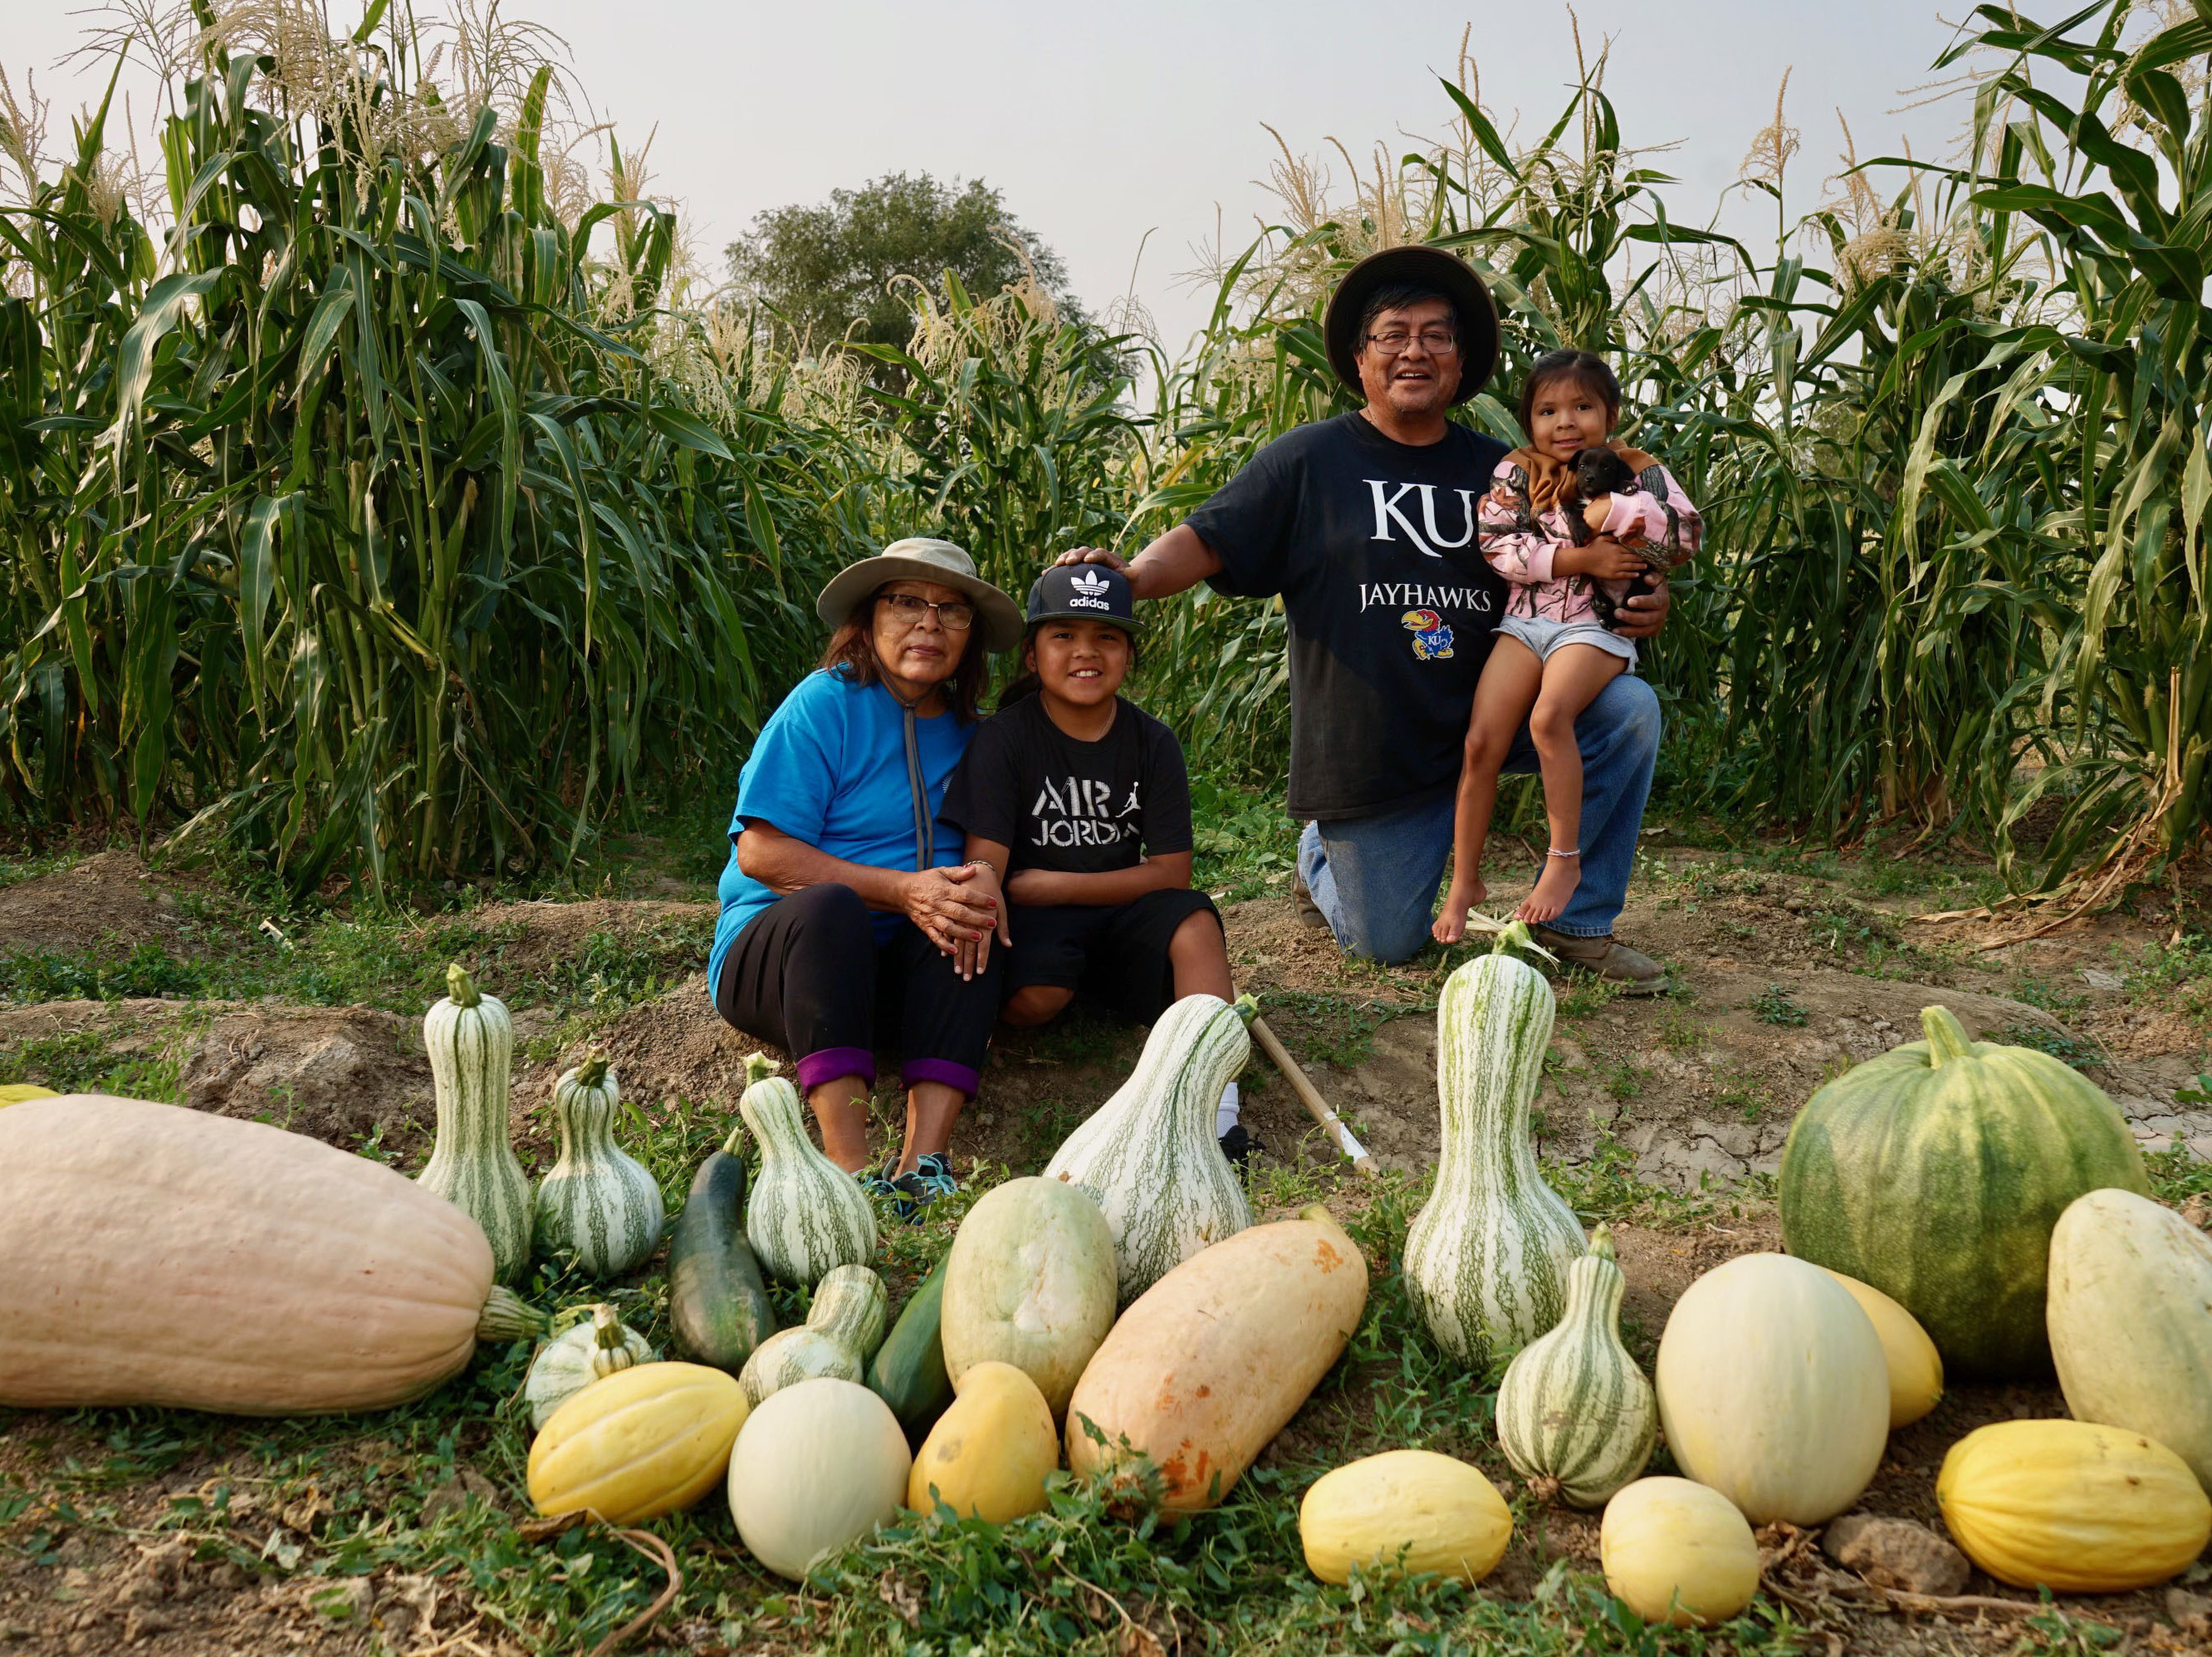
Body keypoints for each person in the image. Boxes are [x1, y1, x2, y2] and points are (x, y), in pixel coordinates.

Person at [1057, 245, 1672, 988]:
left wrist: (1644, 592)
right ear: (1360, 358)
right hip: (1377, 752)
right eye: (1393, 334)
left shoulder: (1507, 468)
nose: (1415, 350)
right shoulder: (1310, 460)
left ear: (1460, 360)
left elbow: (1600, 542)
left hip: (1494, 711)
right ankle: (1320, 852)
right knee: (1386, 942)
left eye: (1436, 335)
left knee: (1629, 709)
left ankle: (1579, 924)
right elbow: (1210, 538)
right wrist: (1133, 574)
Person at [707, 537, 1023, 1212]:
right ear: (869, 617)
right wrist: (903, 889)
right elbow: (759, 854)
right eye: (906, 602)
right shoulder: (824, 704)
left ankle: (922, 1163)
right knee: (833, 908)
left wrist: (967, 889)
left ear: (970, 636)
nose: (929, 625)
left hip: (896, 975)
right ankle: (849, 1173)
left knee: (969, 906)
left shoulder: (975, 735)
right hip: (789, 958)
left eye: (951, 611)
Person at [939, 564, 1258, 1163]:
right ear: (1032, 655)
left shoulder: (1151, 742)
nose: (1086, 651)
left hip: (1109, 909)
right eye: (1064, 636)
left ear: (1129, 655)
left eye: (1106, 637)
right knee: (1038, 998)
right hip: (1034, 925)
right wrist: (1024, 894)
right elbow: (987, 871)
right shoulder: (1005, 739)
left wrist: (1055, 884)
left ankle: (1221, 1122)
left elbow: (1170, 873)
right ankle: (1073, 996)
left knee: (1194, 921)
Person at [1433, 350, 1701, 941]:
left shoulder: (1638, 470)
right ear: (1528, 418)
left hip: (1593, 626)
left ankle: (1563, 859)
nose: (1565, 422)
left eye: (1583, 407)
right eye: (1548, 409)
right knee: (1481, 742)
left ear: (1611, 412)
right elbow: (1498, 544)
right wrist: (1578, 556)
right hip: (1525, 622)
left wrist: (1614, 509)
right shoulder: (1517, 471)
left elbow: (1684, 532)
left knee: (1550, 717)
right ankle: (1465, 881)